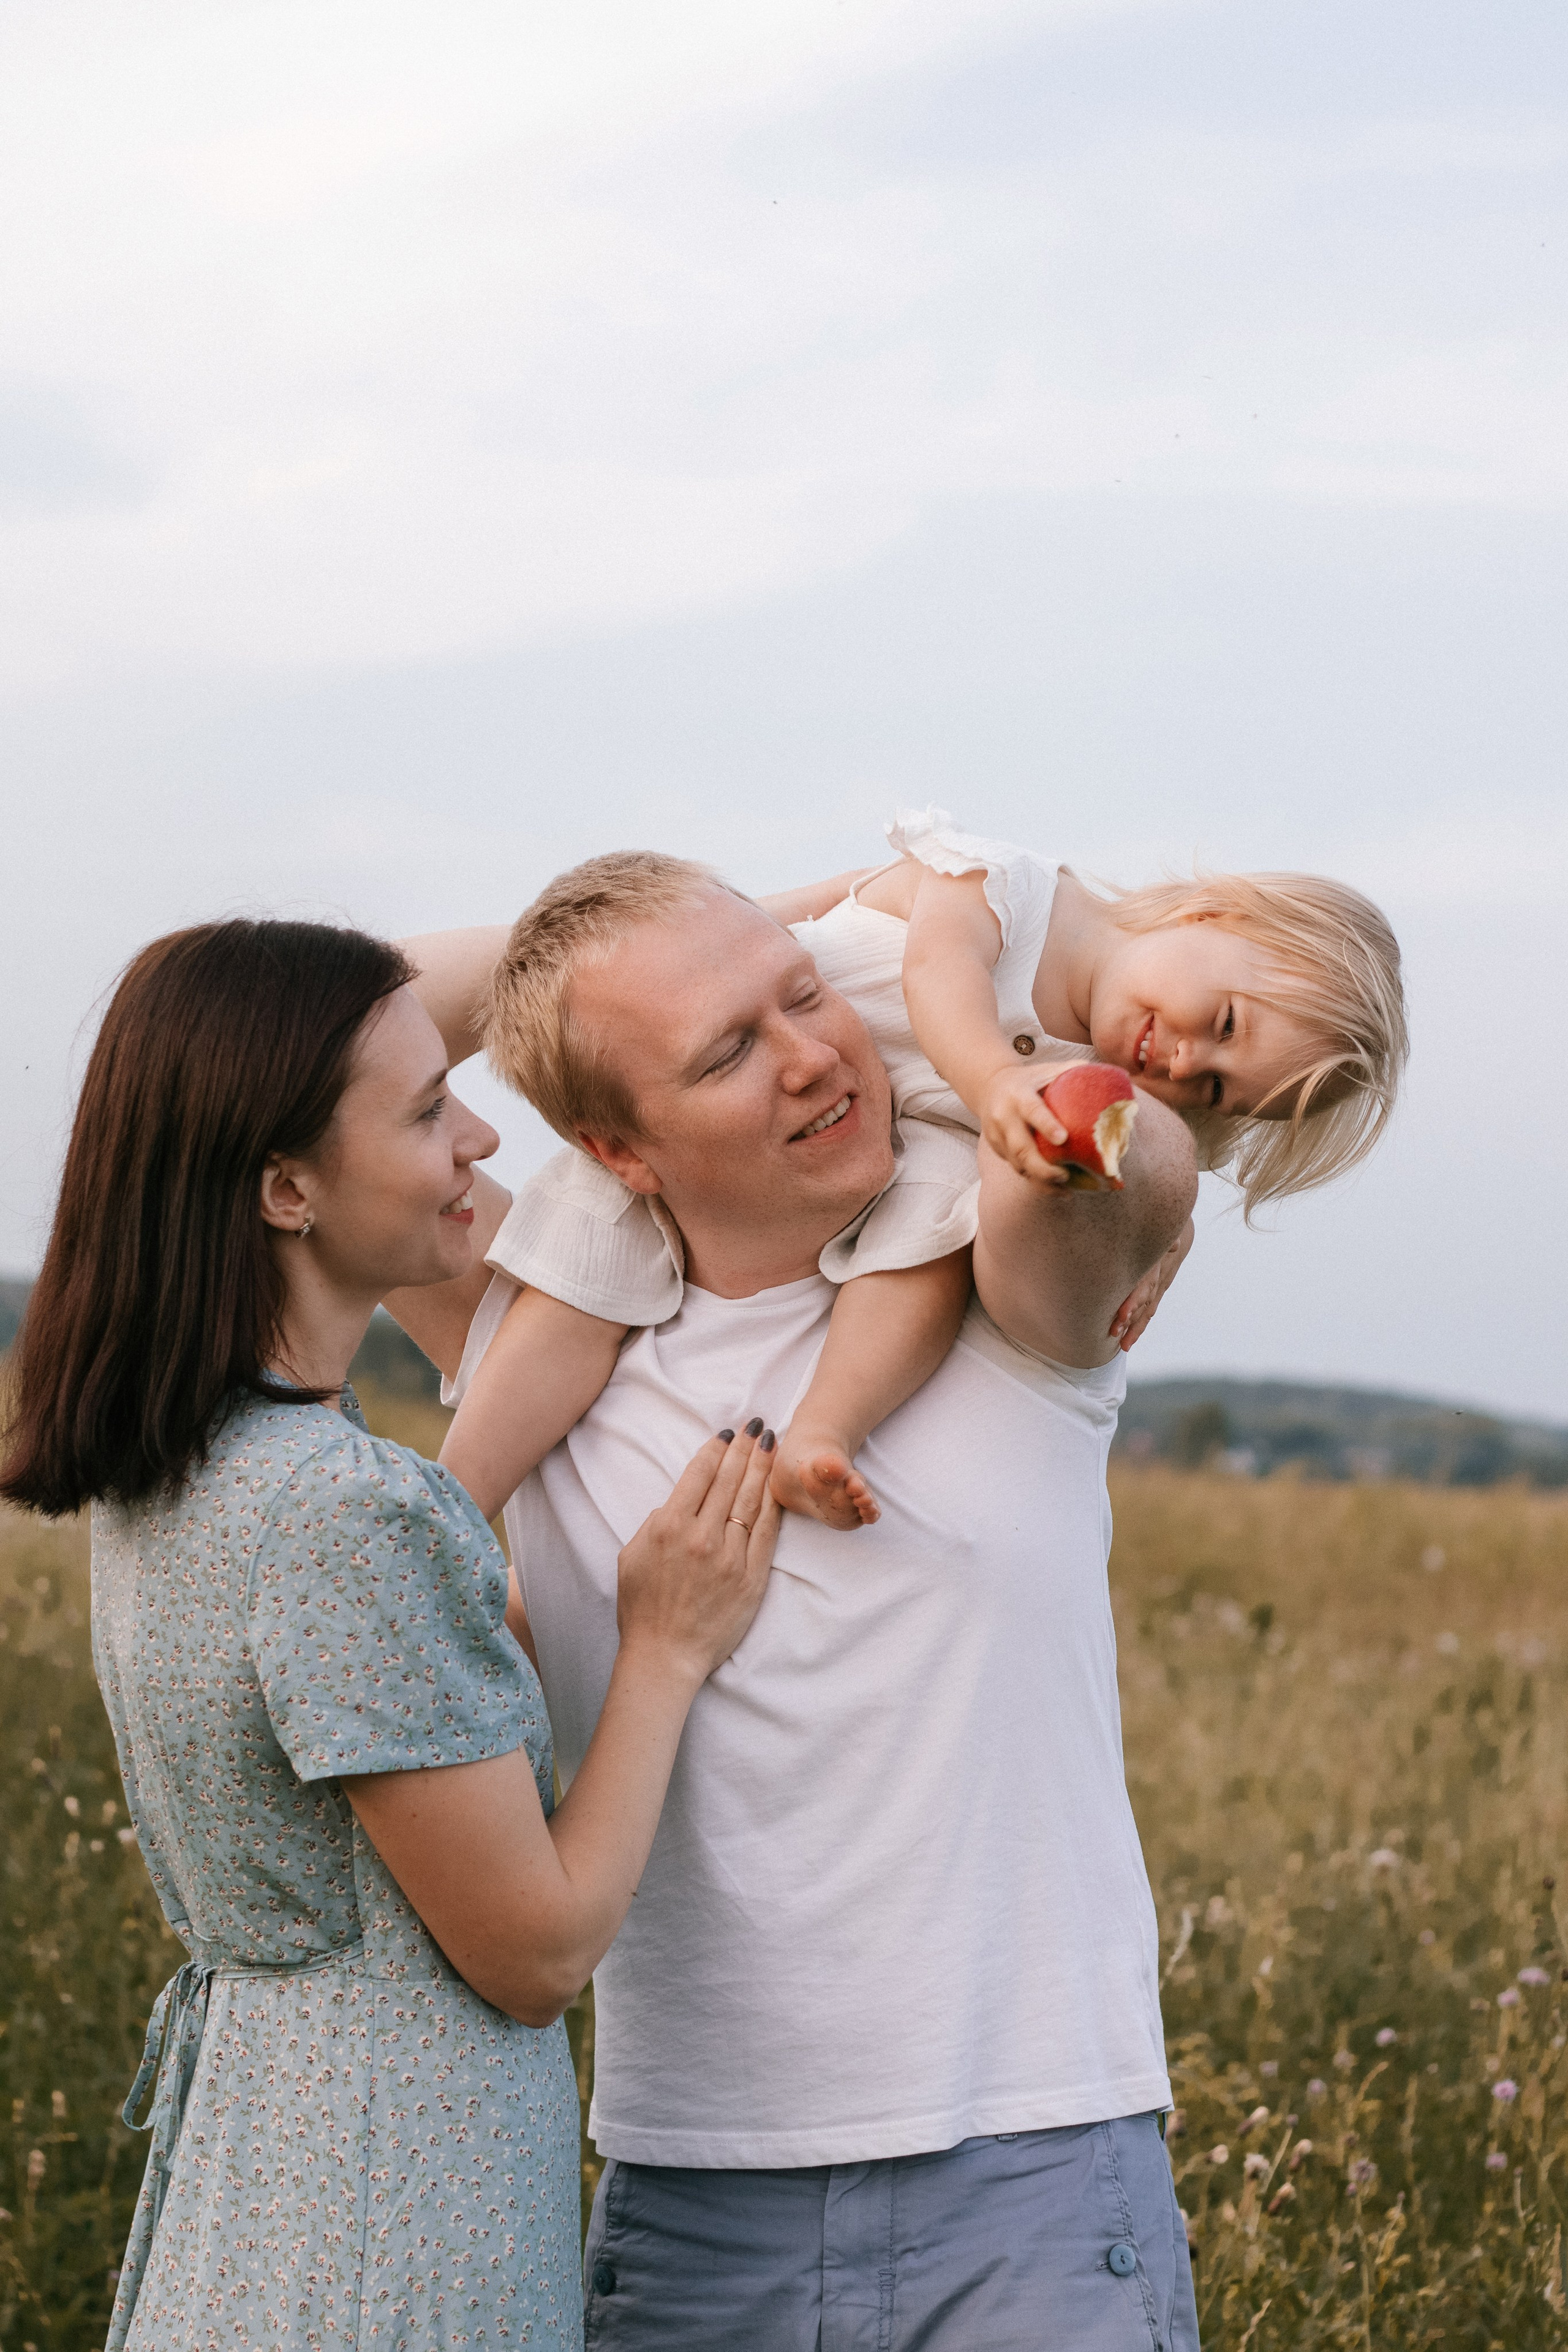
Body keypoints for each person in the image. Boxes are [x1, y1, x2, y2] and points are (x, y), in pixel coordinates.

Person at [391, 854, 1208, 2350]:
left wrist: (836, 915)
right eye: (723, 1053)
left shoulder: (996, 1296)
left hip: (1027, 2177)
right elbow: (289, 1054)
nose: (813, 1056)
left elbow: (1119, 1149)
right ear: (614, 1150)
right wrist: (589, 957)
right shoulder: (539, 1340)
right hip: (694, 2209)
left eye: (806, 993)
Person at [0, 918, 783, 2352]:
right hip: (395, 2207)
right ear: (284, 1188)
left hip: (270, 2167)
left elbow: (385, 1753)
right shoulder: (342, 1507)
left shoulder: (192, 1468)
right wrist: (664, 1648)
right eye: (428, 1112)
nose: (478, 1139)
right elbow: (535, 1952)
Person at [435, 809, 1406, 1532]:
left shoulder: (1097, 1083)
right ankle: (451, 1506)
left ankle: (824, 1430)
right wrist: (996, 1083)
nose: (1188, 1064)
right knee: (578, 1281)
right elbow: (938, 977)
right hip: (711, 1092)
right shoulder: (1016, 888)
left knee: (931, 1245)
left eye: (1224, 1090)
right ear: (1213, 915)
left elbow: (1148, 1163)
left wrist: (1168, 1237)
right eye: (1226, 1022)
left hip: (893, 1135)